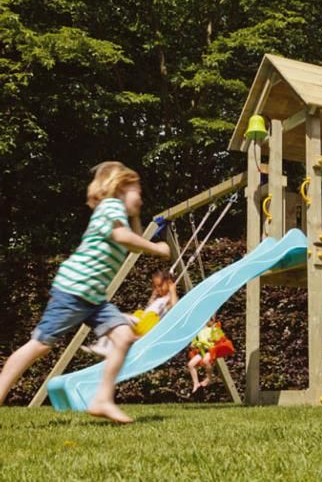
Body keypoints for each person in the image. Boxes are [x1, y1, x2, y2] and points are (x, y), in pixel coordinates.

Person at [0, 161, 171, 423]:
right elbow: (124, 238)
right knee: (40, 345)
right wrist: (157, 249)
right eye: (138, 191)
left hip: (93, 298)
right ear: (120, 187)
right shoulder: (110, 206)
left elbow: (133, 244)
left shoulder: (117, 213)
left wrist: (136, 215)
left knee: (124, 336)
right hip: (74, 289)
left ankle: (102, 399)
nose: (141, 197)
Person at [82, 269, 178, 357]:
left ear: (169, 283)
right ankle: (106, 346)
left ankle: (104, 347)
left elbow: (175, 308)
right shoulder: (159, 298)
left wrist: (172, 290)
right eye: (155, 286)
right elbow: (149, 307)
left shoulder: (168, 298)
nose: (158, 289)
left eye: (160, 286)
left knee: (116, 318)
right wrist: (153, 296)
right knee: (116, 322)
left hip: (147, 326)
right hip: (141, 323)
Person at [188, 318, 234, 393]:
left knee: (206, 360)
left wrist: (212, 338)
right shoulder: (198, 330)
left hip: (211, 350)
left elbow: (219, 337)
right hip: (202, 351)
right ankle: (196, 383)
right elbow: (194, 341)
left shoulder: (213, 328)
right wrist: (193, 344)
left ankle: (209, 378)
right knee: (191, 364)